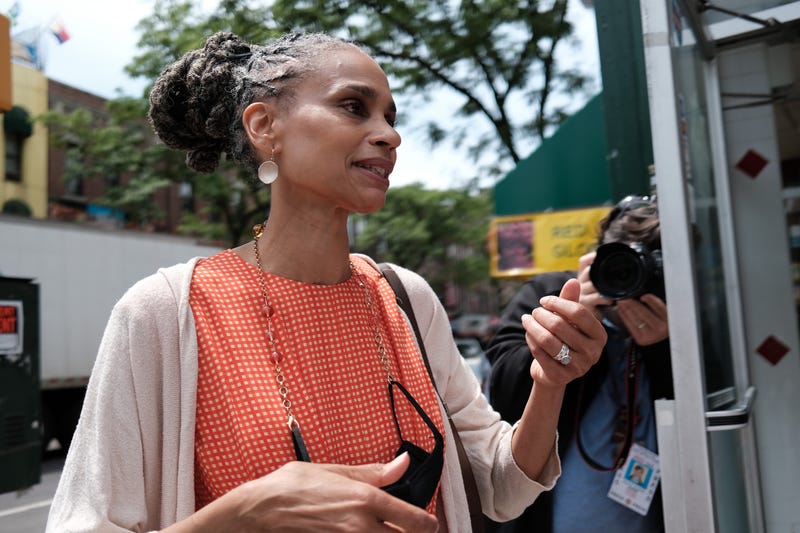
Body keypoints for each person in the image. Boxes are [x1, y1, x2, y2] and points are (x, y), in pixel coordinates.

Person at [46, 32, 608, 532]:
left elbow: (505, 488)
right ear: (265, 127)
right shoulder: (166, 311)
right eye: (353, 107)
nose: (388, 135)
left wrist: (550, 382)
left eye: (391, 116)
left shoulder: (405, 296)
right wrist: (241, 516)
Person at [485, 196, 672, 532]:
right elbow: (503, 393)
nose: (631, 279)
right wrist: (571, 330)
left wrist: (664, 350)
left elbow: (705, 411)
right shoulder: (551, 295)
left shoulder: (681, 318)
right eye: (620, 263)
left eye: (648, 269)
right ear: (597, 258)